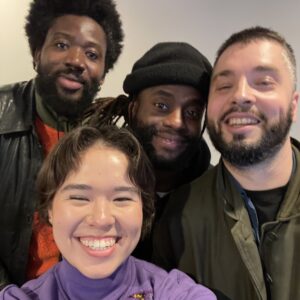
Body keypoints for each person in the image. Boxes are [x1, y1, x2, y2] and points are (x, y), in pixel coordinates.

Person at [152, 26, 300, 300]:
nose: (240, 95)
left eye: (263, 82)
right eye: (224, 86)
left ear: (293, 105)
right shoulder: (175, 219)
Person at [0, 126, 216, 300]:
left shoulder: (175, 293)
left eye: (122, 199)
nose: (101, 219)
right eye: (79, 198)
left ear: (144, 209)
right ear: (49, 210)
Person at [0, 0, 123, 288]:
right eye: (61, 45)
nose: (77, 61)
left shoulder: (109, 141)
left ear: (103, 74)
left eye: (92, 54)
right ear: (36, 53)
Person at [84, 42, 212, 259]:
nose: (177, 122)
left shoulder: (216, 197)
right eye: (162, 106)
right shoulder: (93, 181)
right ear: (133, 109)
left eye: (192, 112)